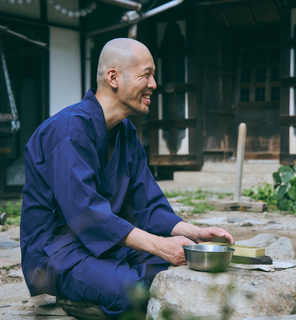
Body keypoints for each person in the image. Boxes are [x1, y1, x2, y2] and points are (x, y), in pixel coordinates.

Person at [20, 38, 234, 320]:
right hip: (57, 251)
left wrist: (194, 233)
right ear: (113, 78)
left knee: (172, 269)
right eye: (146, 74)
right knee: (131, 292)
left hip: (104, 244)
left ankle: (101, 287)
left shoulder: (126, 133)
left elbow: (146, 203)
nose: (154, 84)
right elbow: (85, 212)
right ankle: (78, 300)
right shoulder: (69, 130)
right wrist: (160, 245)